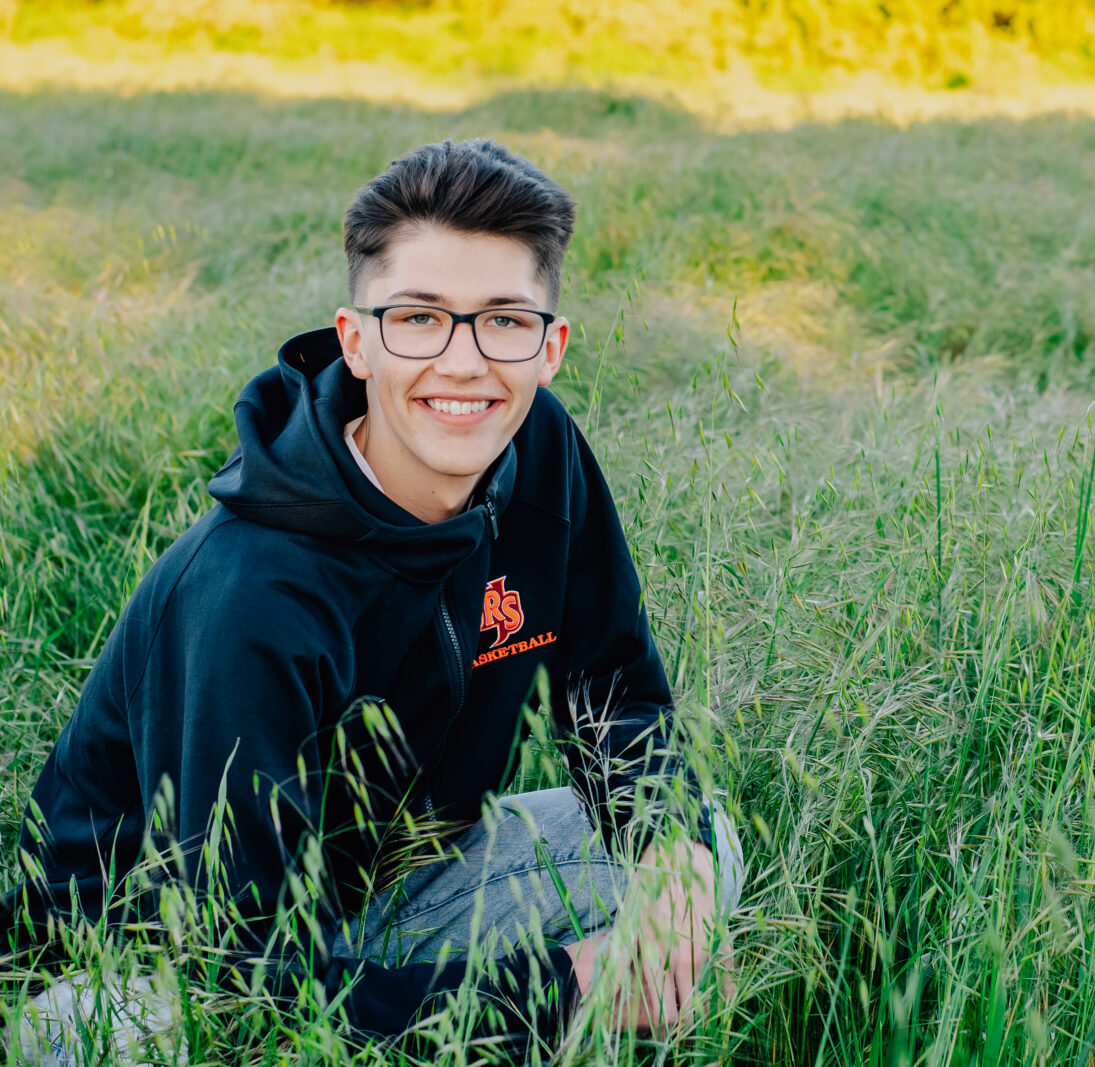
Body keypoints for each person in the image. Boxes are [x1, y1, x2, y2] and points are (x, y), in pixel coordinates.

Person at [1, 138, 743, 1058]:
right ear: (357, 340)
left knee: (701, 851)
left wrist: (670, 855)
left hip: (384, 888)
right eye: (420, 318)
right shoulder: (251, 593)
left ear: (550, 347)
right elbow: (240, 978)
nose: (465, 363)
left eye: (504, 320)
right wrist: (561, 990)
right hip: (146, 972)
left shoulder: (540, 448)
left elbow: (615, 688)